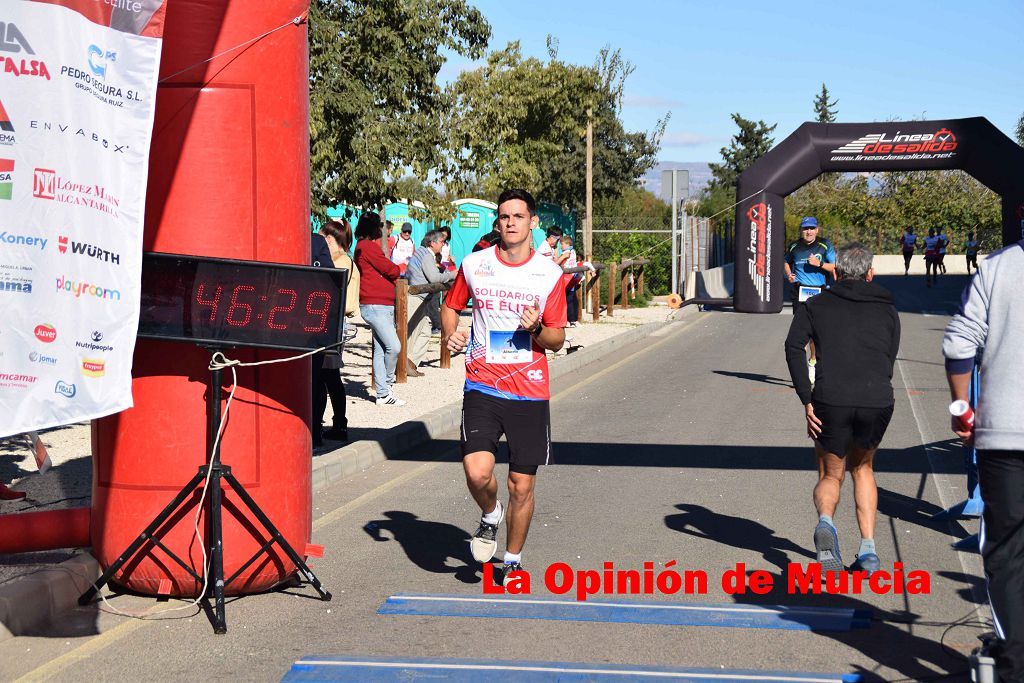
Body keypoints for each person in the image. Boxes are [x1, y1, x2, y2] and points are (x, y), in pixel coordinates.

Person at [442, 188, 567, 586]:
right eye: (504, 217)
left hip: (528, 390)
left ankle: (512, 558)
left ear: (533, 222)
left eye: (518, 216)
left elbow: (556, 339)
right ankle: (490, 513)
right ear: (498, 223)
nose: (510, 222)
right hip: (481, 383)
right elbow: (450, 306)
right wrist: (453, 333)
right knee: (477, 472)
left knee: (521, 483)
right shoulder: (475, 264)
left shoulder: (549, 274)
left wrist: (535, 328)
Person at [784, 242, 900, 576]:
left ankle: (826, 522)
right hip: (876, 398)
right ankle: (868, 551)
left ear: (837, 271)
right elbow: (890, 353)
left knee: (830, 473)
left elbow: (793, 346)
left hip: (830, 398)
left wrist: (806, 399)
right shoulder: (887, 308)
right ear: (870, 273)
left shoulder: (817, 305)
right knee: (863, 469)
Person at [942, 239, 1024, 681]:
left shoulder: (997, 269)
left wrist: (962, 408)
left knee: (1008, 550)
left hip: (1006, 432)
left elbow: (959, 344)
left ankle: (1015, 666)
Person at [354, 213, 406, 406]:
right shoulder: (367, 247)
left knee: (381, 349)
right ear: (374, 228)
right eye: (378, 226)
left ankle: (383, 393)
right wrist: (396, 269)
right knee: (394, 346)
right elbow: (391, 269)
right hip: (376, 305)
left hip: (378, 304)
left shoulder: (362, 246)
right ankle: (386, 387)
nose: (381, 230)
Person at [316, 219, 357, 443]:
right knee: (329, 377)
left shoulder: (341, 263)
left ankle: (336, 424)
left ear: (330, 240)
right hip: (333, 324)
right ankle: (332, 422)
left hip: (333, 325)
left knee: (328, 376)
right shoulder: (343, 260)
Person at [783, 217, 836, 383]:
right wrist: (789, 275)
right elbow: (785, 262)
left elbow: (835, 266)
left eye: (812, 228)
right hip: (800, 291)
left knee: (816, 333)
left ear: (817, 230)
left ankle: (813, 361)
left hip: (820, 292)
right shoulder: (794, 246)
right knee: (800, 333)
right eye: (806, 229)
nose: (809, 232)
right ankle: (801, 373)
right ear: (801, 230)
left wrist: (819, 264)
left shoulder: (825, 245)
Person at [406, 230, 455, 374]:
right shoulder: (427, 256)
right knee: (412, 333)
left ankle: (410, 362)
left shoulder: (421, 252)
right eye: (441, 242)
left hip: (417, 297)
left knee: (425, 330)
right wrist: (453, 274)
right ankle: (404, 365)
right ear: (432, 243)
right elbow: (434, 277)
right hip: (416, 298)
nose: (443, 244)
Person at [310, 229, 336, 448]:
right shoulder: (317, 242)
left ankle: (315, 431)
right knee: (316, 379)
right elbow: (330, 275)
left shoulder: (317, 242)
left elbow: (331, 276)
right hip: (312, 322)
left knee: (316, 378)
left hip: (311, 320)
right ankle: (315, 431)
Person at [558, 235, 581, 326]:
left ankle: (567, 320)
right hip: (572, 277)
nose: (561, 246)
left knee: (565, 300)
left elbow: (560, 262)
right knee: (571, 299)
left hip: (566, 278)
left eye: (562, 244)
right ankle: (572, 320)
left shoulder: (566, 252)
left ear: (567, 244)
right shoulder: (573, 251)